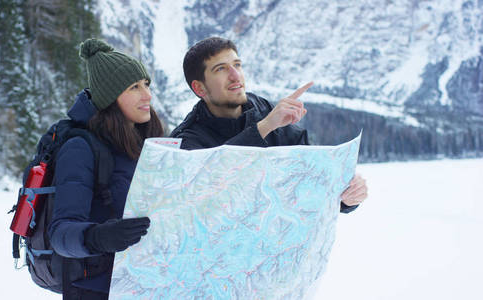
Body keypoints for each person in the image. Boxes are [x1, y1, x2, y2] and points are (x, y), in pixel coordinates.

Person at [170, 36, 367, 212]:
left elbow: (312, 173)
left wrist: (346, 196)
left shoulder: (262, 108)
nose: (235, 75)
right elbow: (205, 193)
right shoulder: (186, 141)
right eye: (221, 69)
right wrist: (264, 127)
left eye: (237, 65)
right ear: (199, 87)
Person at [47, 38, 164, 299]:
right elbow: (60, 233)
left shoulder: (149, 145)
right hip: (93, 288)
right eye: (134, 87)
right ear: (110, 98)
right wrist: (99, 237)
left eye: (146, 84)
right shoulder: (80, 148)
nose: (147, 95)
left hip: (144, 283)